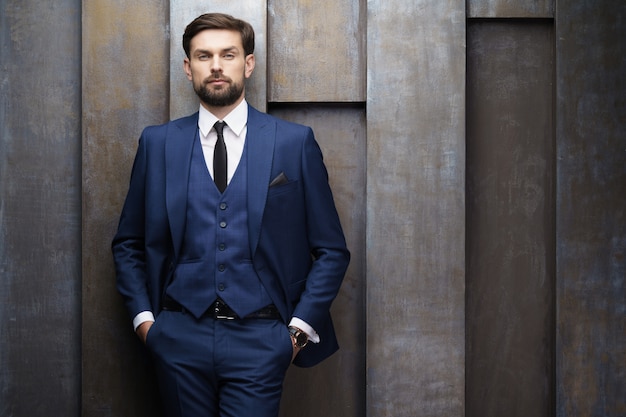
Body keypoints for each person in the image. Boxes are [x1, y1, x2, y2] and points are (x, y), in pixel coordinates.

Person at [111, 12, 350, 417]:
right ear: (188, 68)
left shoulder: (294, 143)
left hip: (263, 338)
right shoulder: (157, 143)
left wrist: (295, 334)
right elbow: (129, 243)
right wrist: (147, 325)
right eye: (204, 56)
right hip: (178, 336)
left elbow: (331, 250)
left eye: (228, 54)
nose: (217, 66)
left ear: (248, 63)